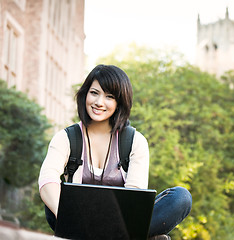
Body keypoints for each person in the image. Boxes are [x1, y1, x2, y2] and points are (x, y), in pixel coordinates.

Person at [38, 64, 192, 239]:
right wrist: (76, 221)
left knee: (181, 198)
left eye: (109, 96)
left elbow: (135, 200)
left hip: (122, 222)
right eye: (94, 93)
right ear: (85, 94)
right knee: (54, 197)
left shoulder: (135, 141)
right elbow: (47, 179)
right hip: (78, 221)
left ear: (120, 102)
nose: (99, 102)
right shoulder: (66, 137)